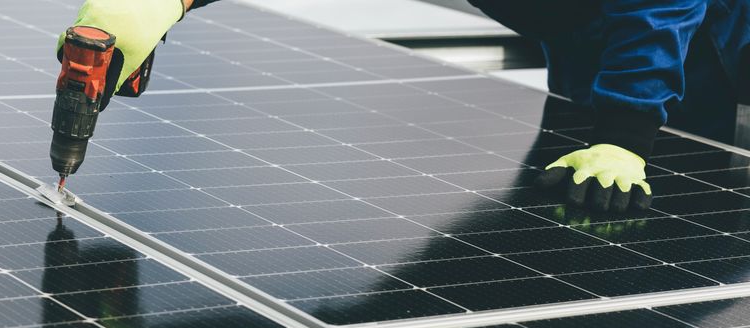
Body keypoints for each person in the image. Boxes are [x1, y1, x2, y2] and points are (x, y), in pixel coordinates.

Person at [59, 0, 750, 213]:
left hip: (707, 42)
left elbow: (664, 4)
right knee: (563, 191)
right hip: (581, 35)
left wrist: (627, 131)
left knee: (670, 200)